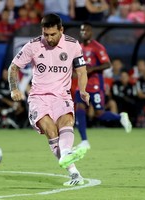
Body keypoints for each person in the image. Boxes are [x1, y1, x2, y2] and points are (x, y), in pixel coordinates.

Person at [7, 13, 89, 186]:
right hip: (38, 98)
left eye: (53, 34)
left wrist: (82, 90)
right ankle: (73, 170)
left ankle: (69, 163)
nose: (49, 38)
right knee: (51, 131)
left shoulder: (73, 45)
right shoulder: (33, 46)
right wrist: (14, 88)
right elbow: (13, 67)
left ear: (61, 30)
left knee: (67, 121)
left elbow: (81, 71)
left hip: (62, 96)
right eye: (46, 35)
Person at [74, 22, 132, 150]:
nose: (84, 33)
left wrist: (92, 69)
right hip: (82, 85)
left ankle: (120, 116)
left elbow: (107, 64)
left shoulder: (97, 47)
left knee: (99, 114)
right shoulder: (78, 47)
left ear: (91, 32)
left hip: (95, 85)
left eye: (86, 30)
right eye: (82, 30)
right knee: (79, 108)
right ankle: (84, 141)